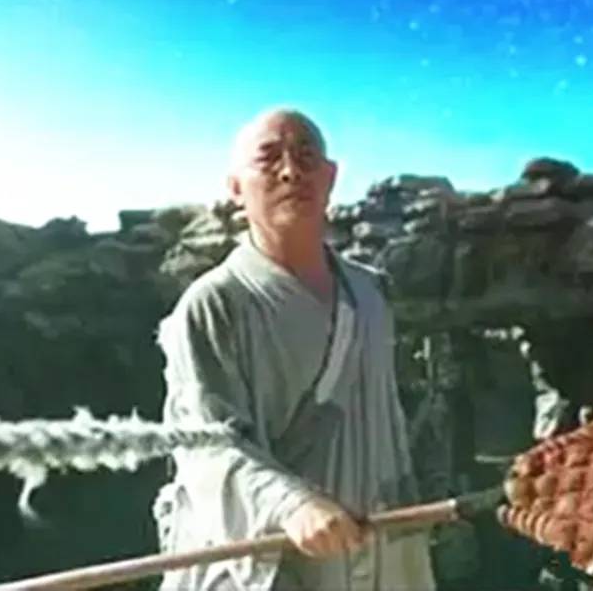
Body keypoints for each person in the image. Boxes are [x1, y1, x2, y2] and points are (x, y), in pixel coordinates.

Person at [151, 107, 437, 590]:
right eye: (269, 159)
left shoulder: (370, 293)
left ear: (330, 177)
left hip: (378, 547)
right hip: (278, 560)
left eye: (306, 158)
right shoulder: (214, 304)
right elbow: (206, 446)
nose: (290, 172)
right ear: (236, 187)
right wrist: (292, 504)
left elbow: (390, 420)